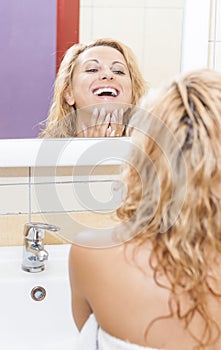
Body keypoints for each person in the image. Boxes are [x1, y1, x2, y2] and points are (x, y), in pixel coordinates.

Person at [69, 68, 221, 350]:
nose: (106, 76)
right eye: (92, 69)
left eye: (118, 70)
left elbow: (84, 329)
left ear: (146, 154)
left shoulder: (93, 255)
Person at [39, 38, 146, 138]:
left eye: (118, 71)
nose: (108, 74)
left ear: (133, 94)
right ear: (69, 94)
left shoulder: (152, 154)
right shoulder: (43, 155)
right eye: (92, 69)